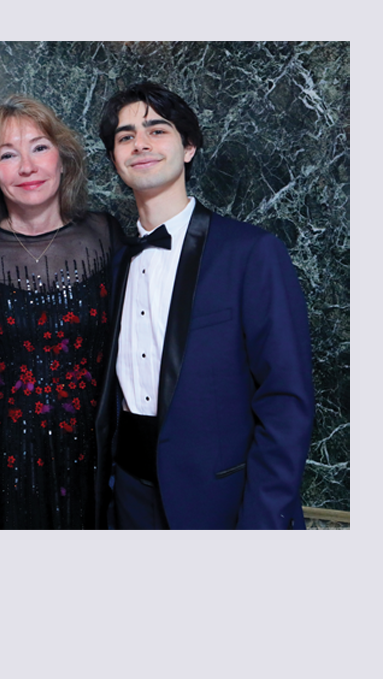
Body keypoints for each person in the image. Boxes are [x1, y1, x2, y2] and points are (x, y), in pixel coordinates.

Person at [94, 81, 314, 529]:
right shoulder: (117, 263)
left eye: (157, 130)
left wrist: (263, 520)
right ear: (116, 159)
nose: (141, 143)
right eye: (125, 136)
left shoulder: (251, 252)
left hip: (221, 503)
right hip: (128, 502)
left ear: (188, 147)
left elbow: (287, 400)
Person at [0, 96, 121, 529]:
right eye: (8, 155)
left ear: (63, 160)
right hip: (3, 456)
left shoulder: (111, 235)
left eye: (39, 147)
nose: (27, 167)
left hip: (98, 452)